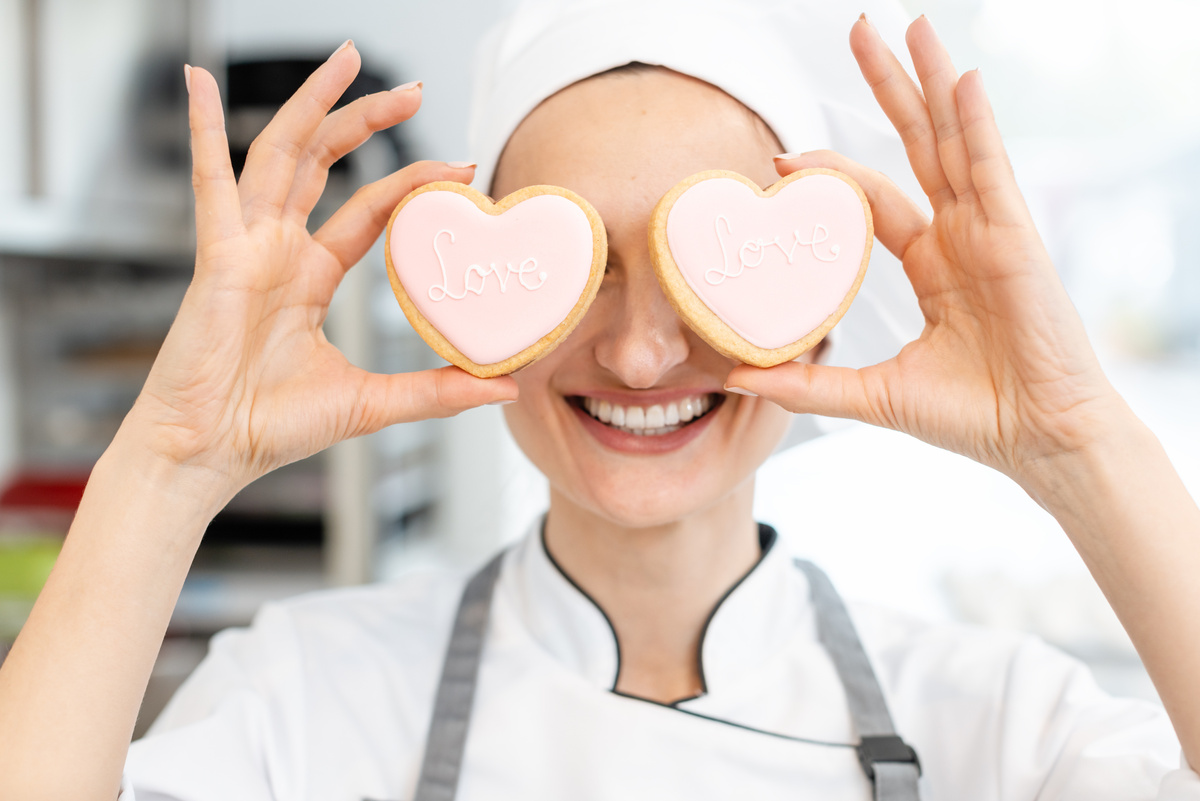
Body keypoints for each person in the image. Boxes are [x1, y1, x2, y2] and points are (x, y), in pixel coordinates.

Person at [1, 1, 1199, 799]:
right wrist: (168, 467)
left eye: (705, 266)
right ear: (467, 296)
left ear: (823, 299)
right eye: (573, 266)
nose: (636, 355)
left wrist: (1079, 443)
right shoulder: (305, 698)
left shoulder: (1008, 724)